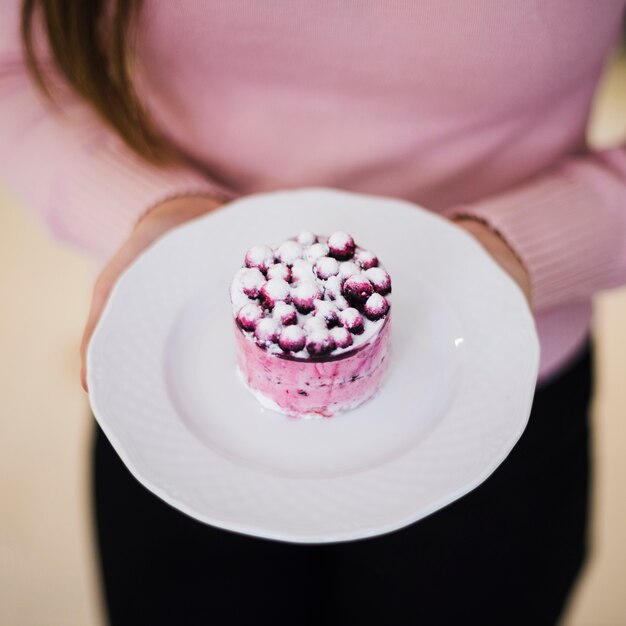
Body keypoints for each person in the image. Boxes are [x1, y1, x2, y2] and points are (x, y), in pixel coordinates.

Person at [1, 1, 625, 624]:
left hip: (501, 392)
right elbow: (13, 70)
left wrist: (527, 244)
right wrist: (150, 210)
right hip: (185, 404)